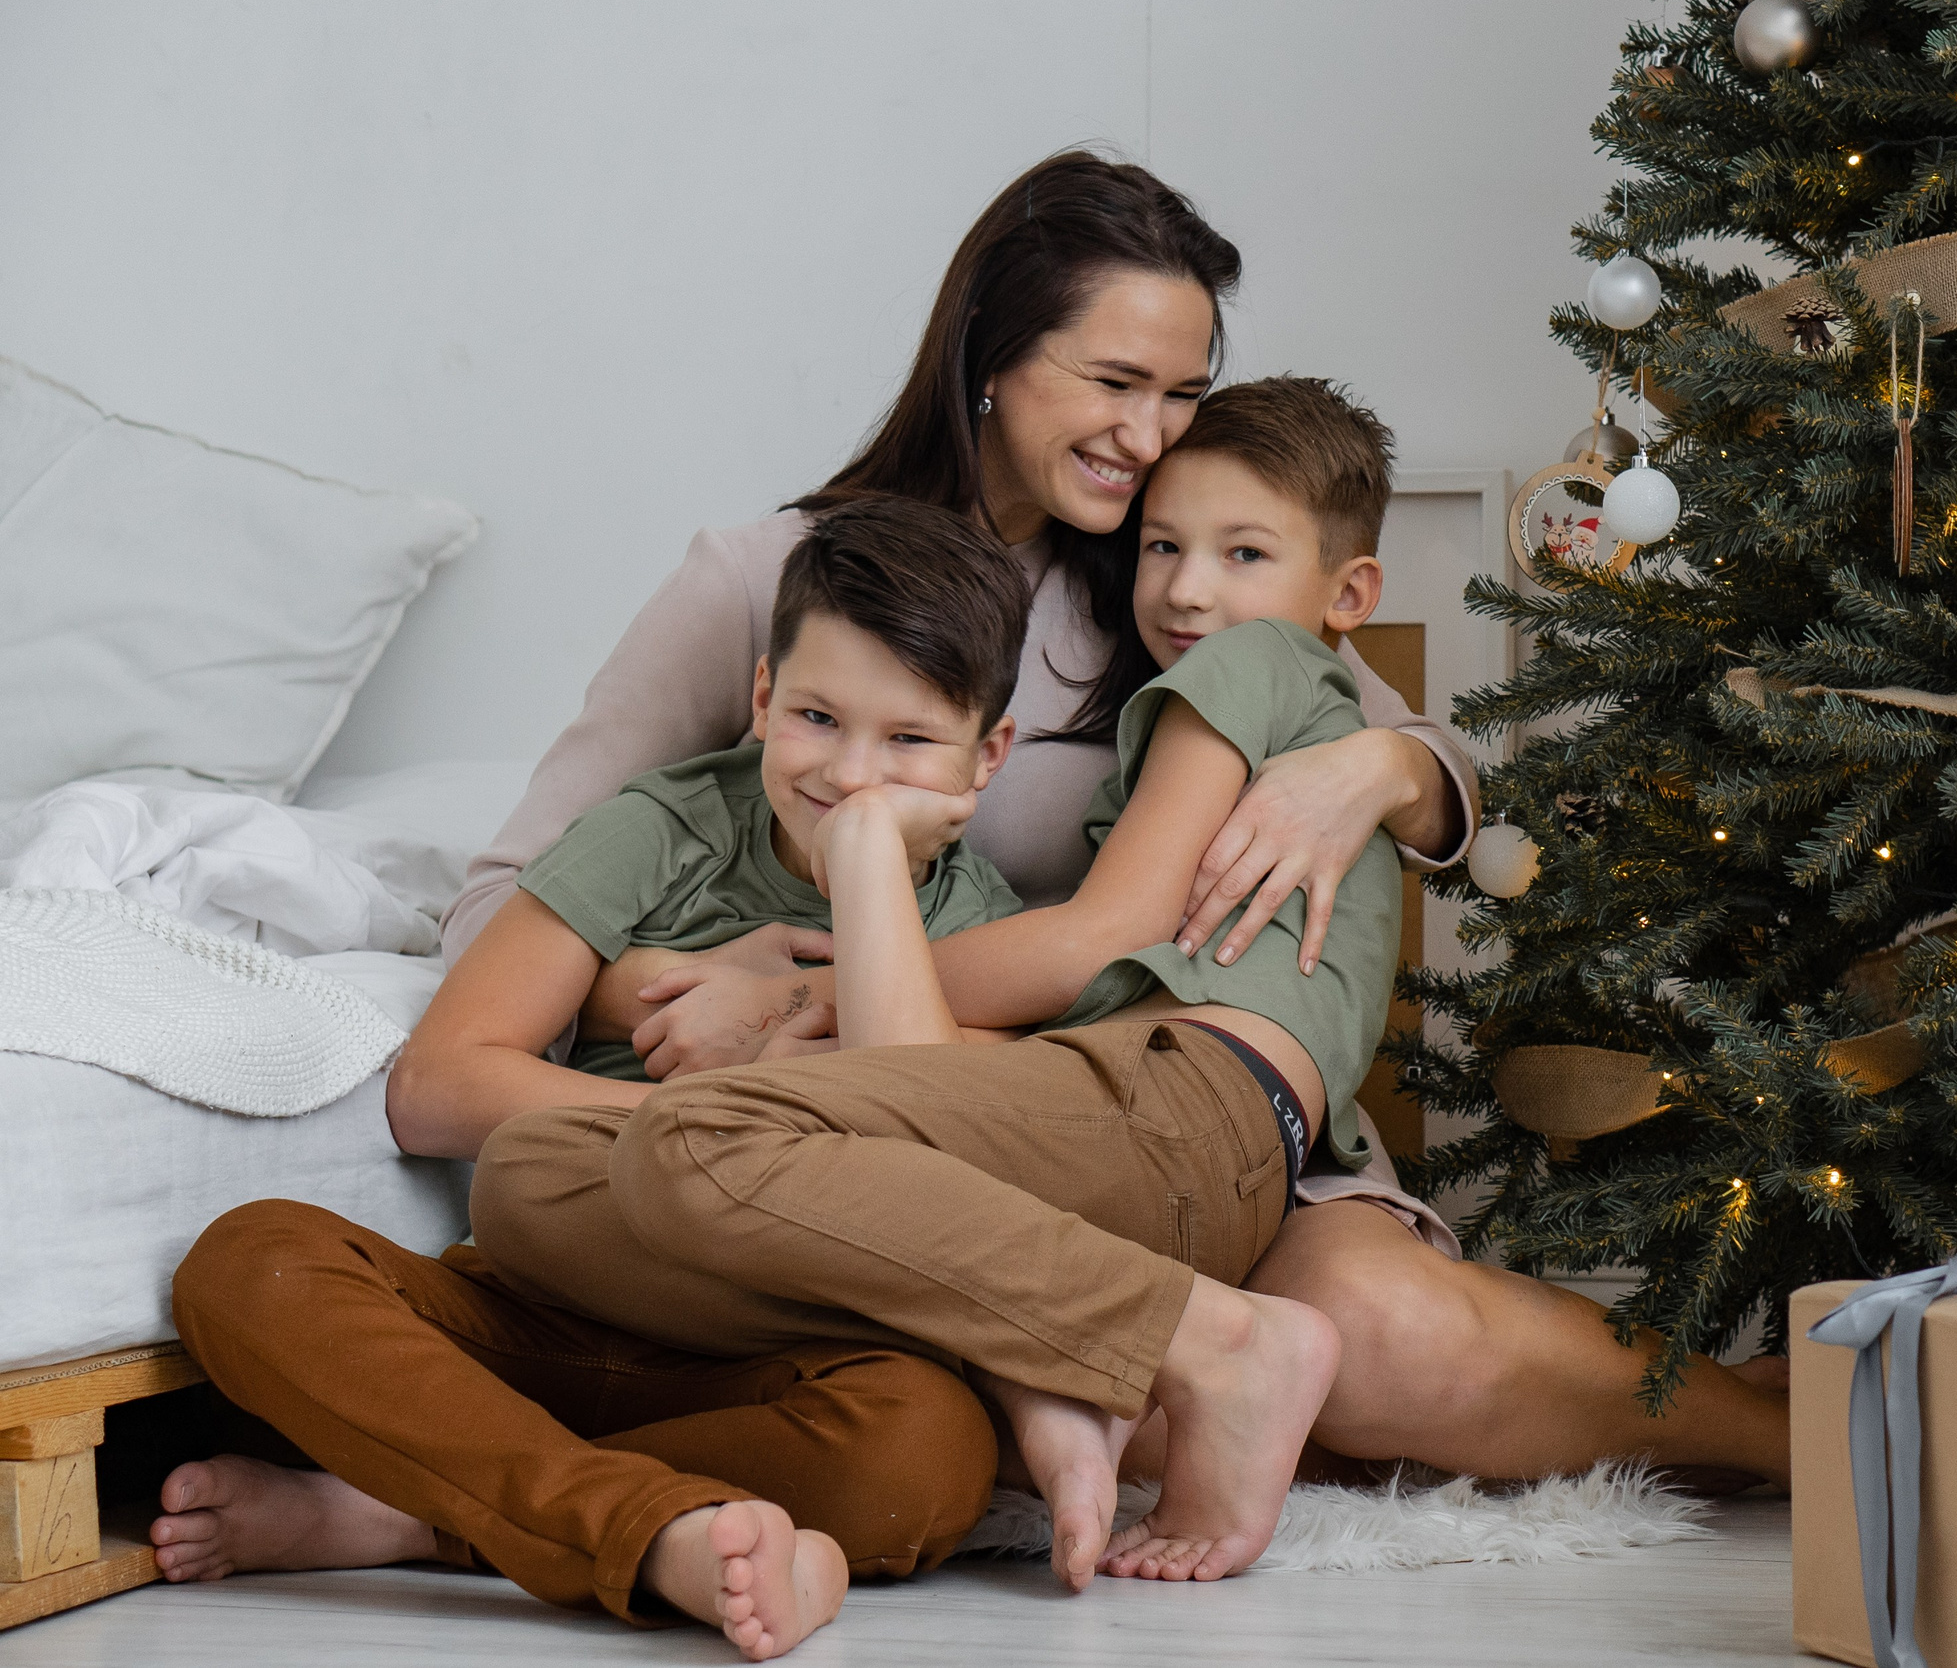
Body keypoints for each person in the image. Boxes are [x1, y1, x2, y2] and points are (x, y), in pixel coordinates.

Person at [446, 151, 1780, 1509]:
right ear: (990, 355)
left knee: (1393, 1336)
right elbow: (497, 906)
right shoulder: (770, 583)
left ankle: (1786, 1431)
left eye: (1184, 392)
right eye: (1115, 384)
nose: (1153, 437)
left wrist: (1374, 763)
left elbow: (1444, 778)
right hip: (885, 1129)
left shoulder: (1172, 580)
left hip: (1165, 1115)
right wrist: (730, 1002)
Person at [467, 376, 1415, 1594]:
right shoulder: (738, 675)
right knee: (528, 1178)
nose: (1186, 586)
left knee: (700, 1138)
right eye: (1165, 547)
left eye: (1238, 551)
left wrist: (807, 981)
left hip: (1189, 1093)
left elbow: (1091, 941)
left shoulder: (1251, 663)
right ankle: (1038, 1360)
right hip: (1121, 1093)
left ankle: (1211, 1345)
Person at [150, 499, 1037, 1661]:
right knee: (251, 1261)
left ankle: (430, 1511)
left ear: (990, 755)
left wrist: (869, 868)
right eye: (818, 716)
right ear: (763, 695)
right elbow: (440, 1083)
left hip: (761, 1353)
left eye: (909, 742)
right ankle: (630, 1518)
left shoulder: (979, 924)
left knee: (924, 1451)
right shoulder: (662, 827)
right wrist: (705, 1127)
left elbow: (922, 1138)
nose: (851, 778)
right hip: (541, 1301)